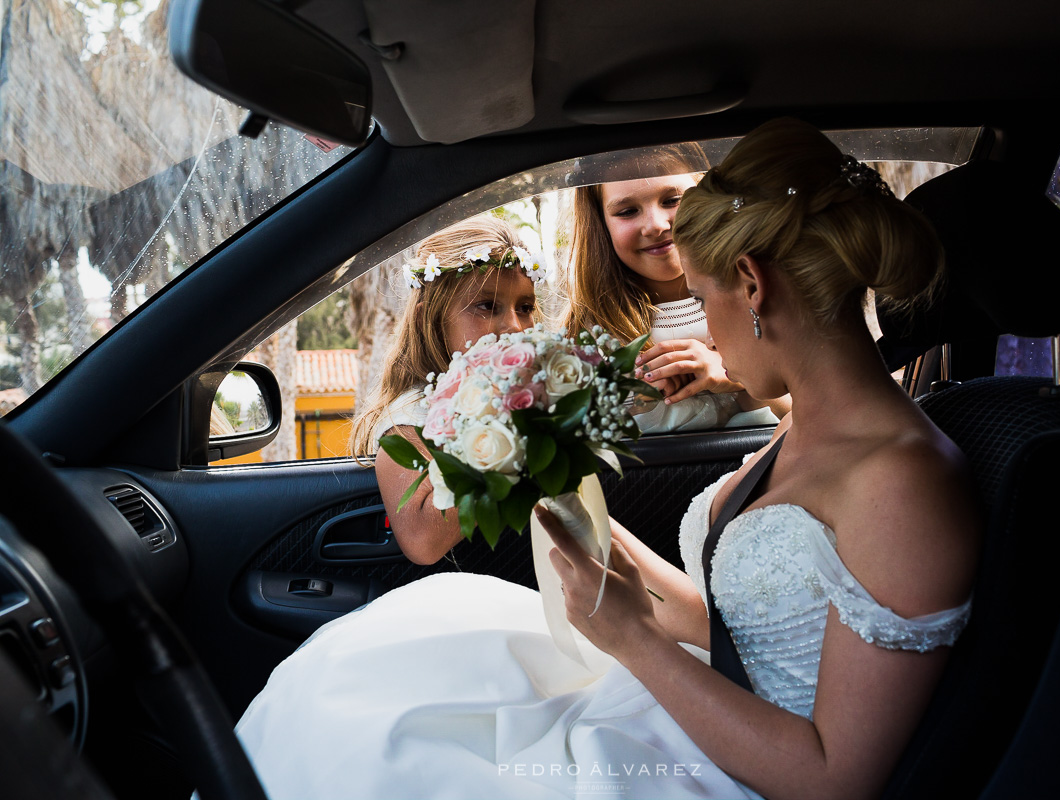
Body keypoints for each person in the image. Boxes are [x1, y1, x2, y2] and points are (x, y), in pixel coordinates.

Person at [235, 119, 980, 800]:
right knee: (372, 676)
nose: (706, 323)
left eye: (702, 296)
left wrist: (633, 639)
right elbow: (747, 626)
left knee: (390, 749)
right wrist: (609, 559)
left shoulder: (901, 485)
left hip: (738, 767)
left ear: (751, 285)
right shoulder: (809, 431)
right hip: (703, 712)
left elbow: (832, 779)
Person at [347, 214, 542, 564]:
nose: (514, 325)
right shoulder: (409, 420)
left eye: (525, 308)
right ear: (429, 318)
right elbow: (422, 541)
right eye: (487, 306)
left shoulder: (537, 391)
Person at [561, 146, 785, 432]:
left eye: (673, 200)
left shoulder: (757, 299)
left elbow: (807, 417)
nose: (655, 225)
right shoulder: (590, 335)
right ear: (600, 225)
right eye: (628, 211)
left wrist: (737, 377)